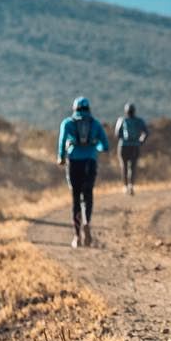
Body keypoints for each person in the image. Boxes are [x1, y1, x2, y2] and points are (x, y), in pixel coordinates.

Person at [57, 96, 109, 247]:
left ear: (75, 109)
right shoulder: (96, 124)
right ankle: (87, 222)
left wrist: (61, 157)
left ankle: (76, 236)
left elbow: (61, 141)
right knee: (88, 195)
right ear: (88, 109)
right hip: (90, 162)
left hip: (73, 162)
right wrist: (94, 147)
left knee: (75, 197)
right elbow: (105, 146)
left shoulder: (67, 123)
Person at [115, 102, 150, 195]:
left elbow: (117, 133)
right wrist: (140, 141)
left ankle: (125, 186)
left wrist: (123, 140)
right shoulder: (139, 121)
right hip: (135, 146)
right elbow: (146, 132)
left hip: (123, 146)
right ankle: (131, 185)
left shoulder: (122, 120)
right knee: (132, 167)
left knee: (124, 166)